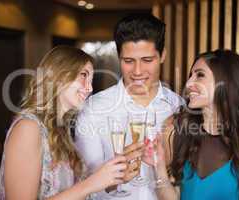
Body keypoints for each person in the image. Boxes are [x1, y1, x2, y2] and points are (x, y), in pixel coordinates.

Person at [144, 49, 239, 200]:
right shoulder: (183, 130)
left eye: (200, 75)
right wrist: (159, 166)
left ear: (225, 82)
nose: (188, 83)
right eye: (190, 75)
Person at [0, 46, 129, 200]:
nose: (90, 88)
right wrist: (91, 183)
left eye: (91, 80)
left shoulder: (61, 130)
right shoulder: (29, 128)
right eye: (83, 76)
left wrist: (111, 180)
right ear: (59, 76)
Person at [75, 14, 184, 199]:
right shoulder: (94, 109)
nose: (138, 71)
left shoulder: (178, 107)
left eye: (147, 60)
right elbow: (84, 184)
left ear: (162, 55)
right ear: (119, 57)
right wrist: (115, 180)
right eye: (128, 61)